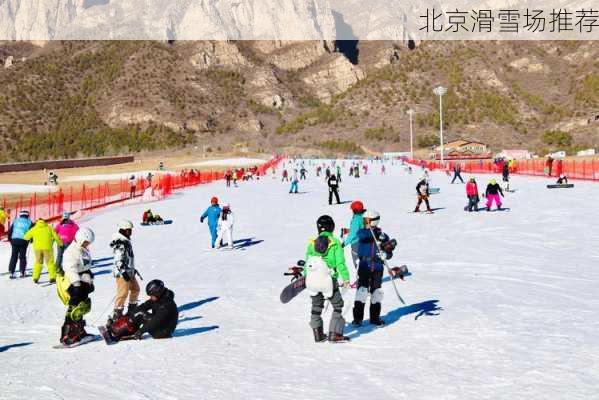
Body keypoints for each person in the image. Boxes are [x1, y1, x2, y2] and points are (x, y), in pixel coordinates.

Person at [304, 215, 350, 342]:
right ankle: (334, 334)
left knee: (316, 306)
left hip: (312, 280)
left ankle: (318, 335)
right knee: (337, 305)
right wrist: (346, 278)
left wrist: (304, 277)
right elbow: (340, 263)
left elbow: (307, 262)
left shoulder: (312, 243)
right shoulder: (334, 242)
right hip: (328, 280)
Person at [352, 210, 395, 327]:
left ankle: (375, 318)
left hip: (377, 267)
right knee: (362, 292)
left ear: (373, 222)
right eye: (364, 220)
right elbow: (362, 235)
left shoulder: (383, 236)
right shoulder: (363, 232)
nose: (364, 222)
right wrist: (375, 234)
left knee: (376, 292)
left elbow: (389, 252)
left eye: (367, 220)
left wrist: (386, 254)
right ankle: (357, 318)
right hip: (364, 266)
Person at [56, 227, 96, 345]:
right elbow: (69, 268)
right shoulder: (72, 251)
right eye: (86, 242)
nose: (87, 244)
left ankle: (80, 332)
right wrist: (77, 283)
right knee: (74, 308)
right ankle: (66, 335)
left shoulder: (82, 249)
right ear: (80, 239)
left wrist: (89, 277)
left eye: (88, 242)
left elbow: (85, 266)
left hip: (82, 282)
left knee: (81, 307)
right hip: (73, 284)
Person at [105, 280, 178, 341]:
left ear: (157, 293)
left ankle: (116, 330)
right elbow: (144, 306)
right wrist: (130, 315)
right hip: (160, 326)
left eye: (152, 295)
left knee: (141, 314)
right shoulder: (158, 298)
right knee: (139, 313)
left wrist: (141, 331)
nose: (151, 297)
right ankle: (122, 330)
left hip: (163, 332)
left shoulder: (167, 304)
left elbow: (156, 321)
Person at [108, 220, 140, 326]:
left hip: (129, 272)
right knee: (122, 293)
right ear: (123, 230)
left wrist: (132, 269)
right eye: (128, 230)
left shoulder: (126, 241)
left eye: (130, 230)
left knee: (136, 289)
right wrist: (124, 272)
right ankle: (117, 315)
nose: (130, 232)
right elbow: (118, 261)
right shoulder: (120, 243)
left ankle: (132, 310)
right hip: (122, 274)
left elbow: (128, 258)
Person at [23, 218, 63, 284]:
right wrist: (60, 243)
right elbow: (56, 236)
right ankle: (52, 277)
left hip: (37, 249)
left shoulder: (34, 228)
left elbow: (25, 237)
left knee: (38, 263)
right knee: (50, 263)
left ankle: (35, 277)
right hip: (47, 248)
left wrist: (31, 237)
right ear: (44, 222)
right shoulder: (49, 228)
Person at [7, 210, 32, 279]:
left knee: (14, 256)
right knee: (22, 256)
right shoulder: (29, 222)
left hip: (14, 240)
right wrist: (32, 240)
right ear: (27, 215)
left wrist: (10, 239)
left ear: (20, 215)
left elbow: (10, 231)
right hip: (24, 240)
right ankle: (22, 272)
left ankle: (12, 272)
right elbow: (32, 231)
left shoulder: (16, 221)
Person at [342, 201, 366, 269]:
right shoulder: (363, 216)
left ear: (355, 210)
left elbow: (353, 234)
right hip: (364, 241)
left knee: (357, 261)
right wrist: (348, 230)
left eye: (352, 209)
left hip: (356, 243)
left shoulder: (356, 219)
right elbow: (359, 229)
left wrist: (344, 243)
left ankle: (360, 278)